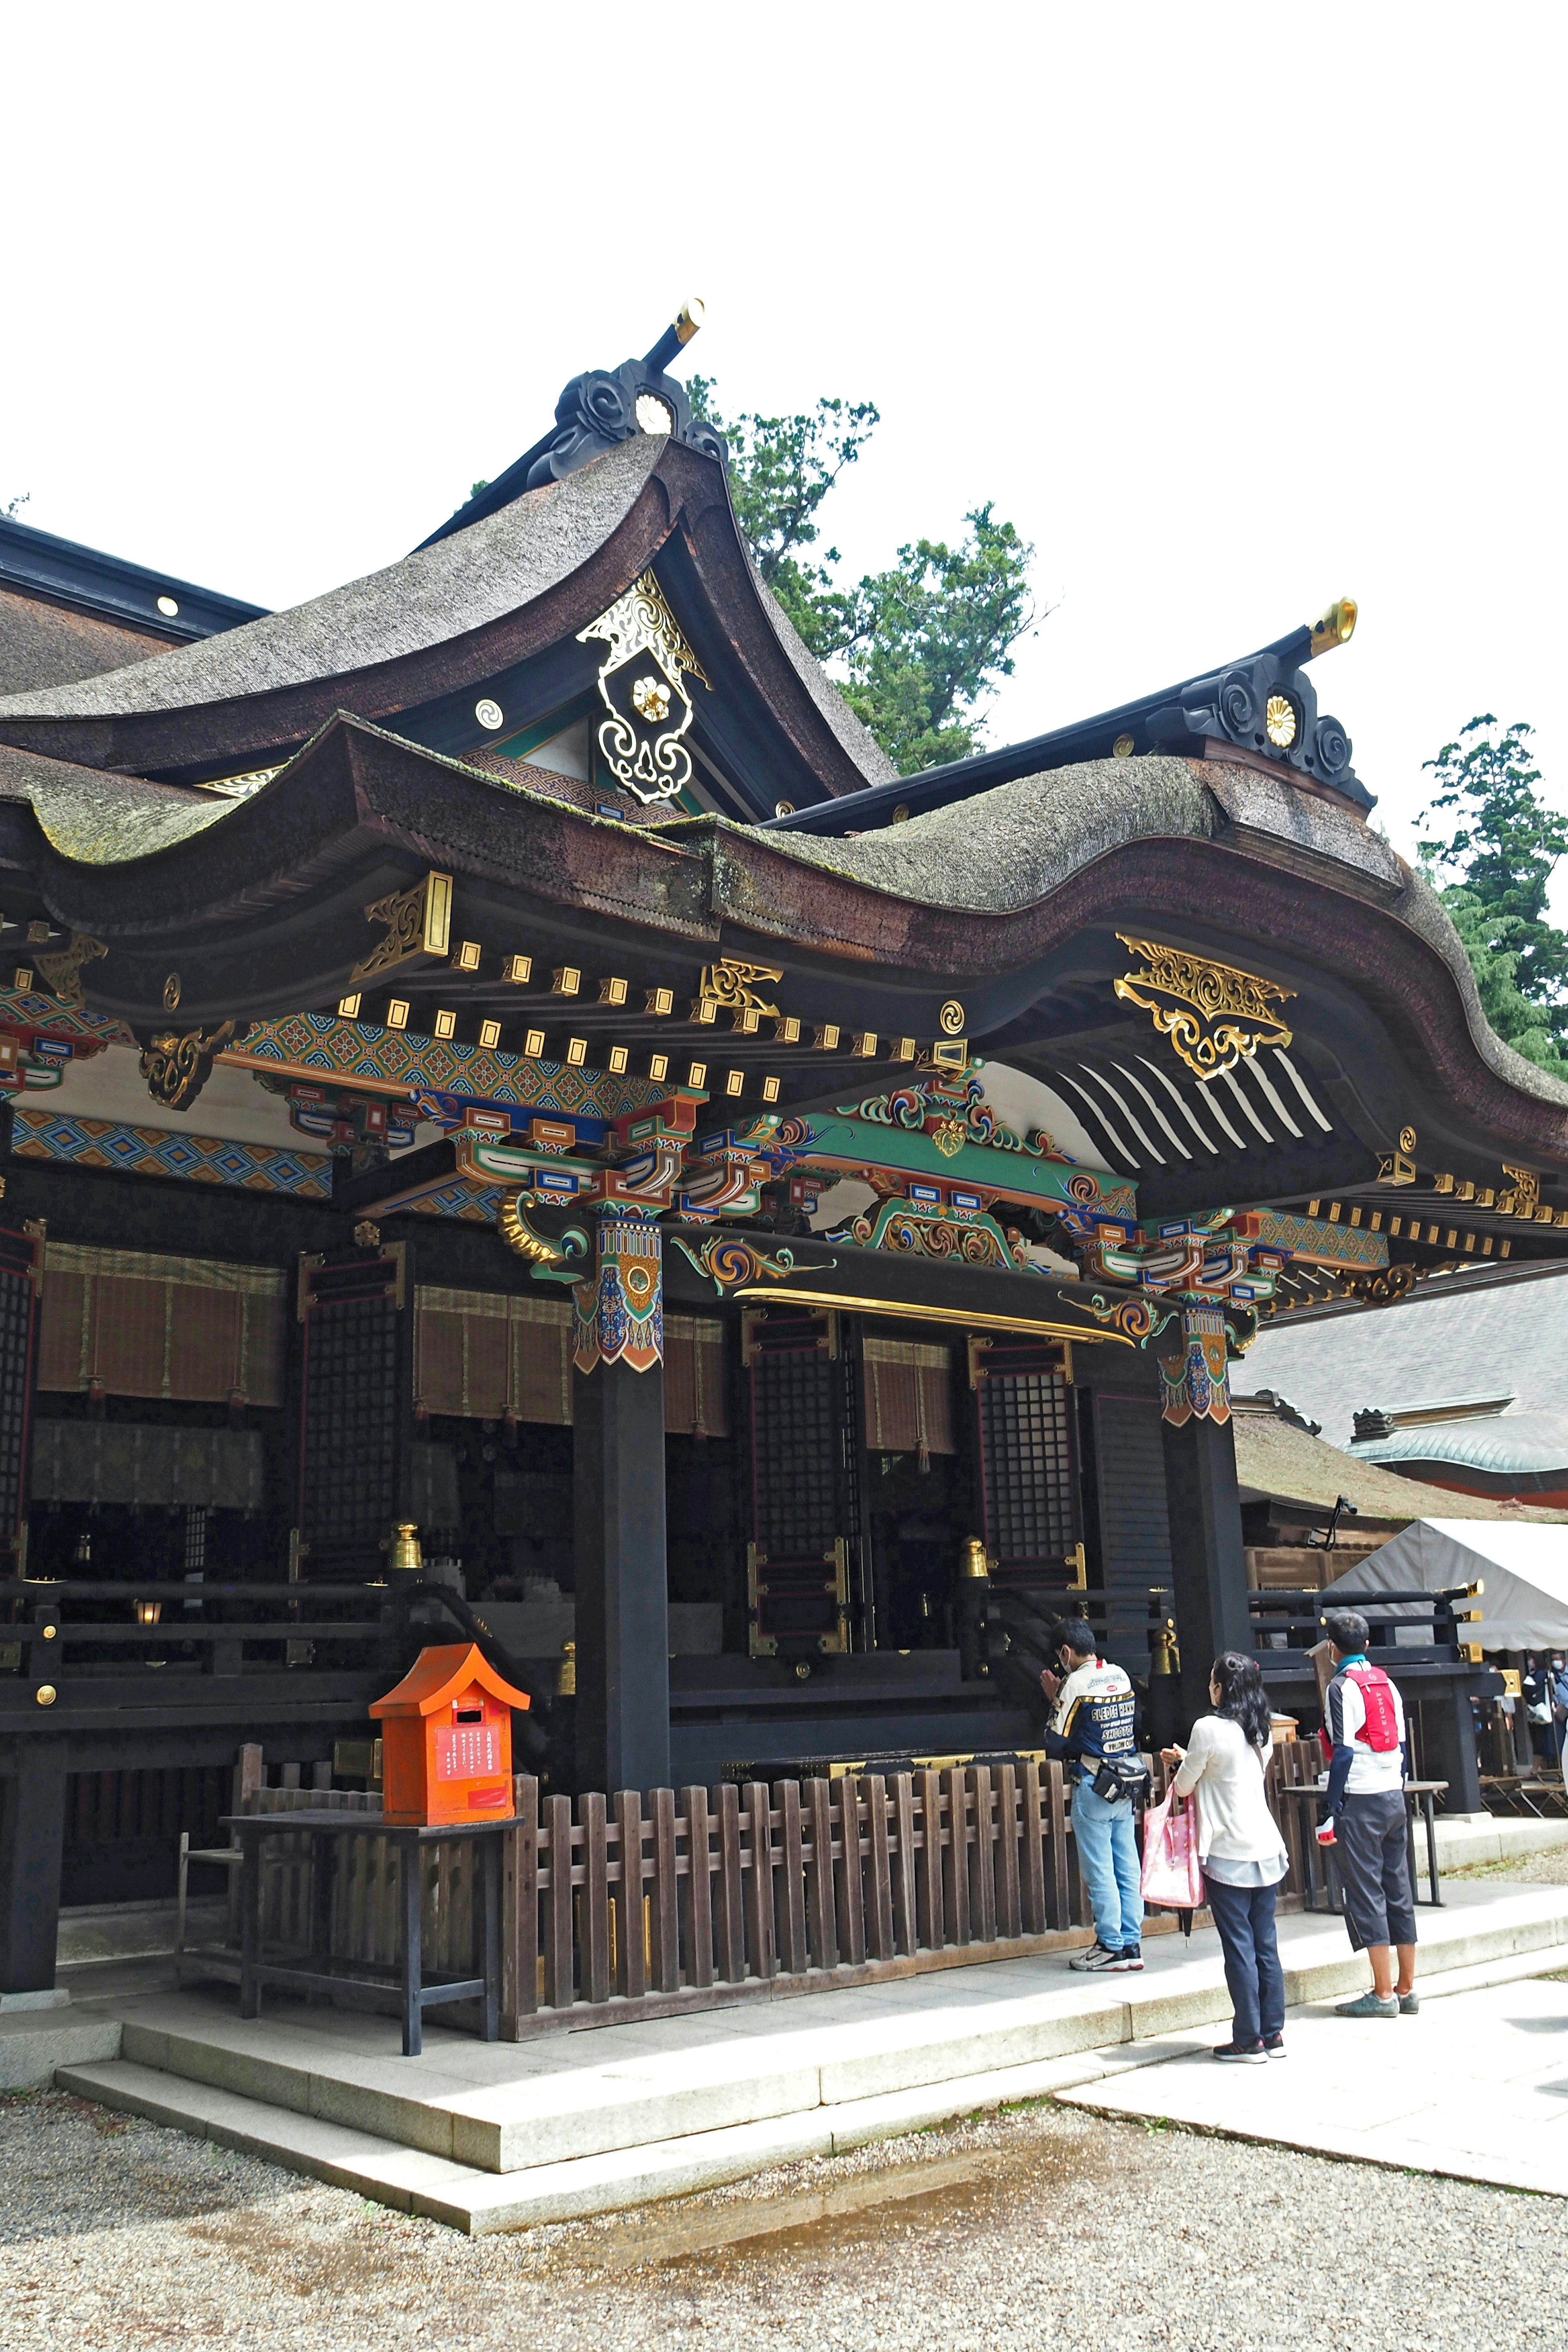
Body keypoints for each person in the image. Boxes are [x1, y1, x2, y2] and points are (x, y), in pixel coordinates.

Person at [1161, 1653, 1290, 2062]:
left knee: (1239, 1947)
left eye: (1212, 1680)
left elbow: (1184, 1788)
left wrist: (1182, 1762)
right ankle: (1272, 2034)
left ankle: (1247, 2039)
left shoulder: (1208, 1728)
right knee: (1264, 1944)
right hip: (1265, 1846)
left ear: (1220, 1687)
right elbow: (1231, 1771)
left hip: (1228, 1851)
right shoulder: (1260, 1730)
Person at [1317, 1608, 1417, 2019]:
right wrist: (1400, 1783)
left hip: (1361, 1797)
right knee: (1399, 1888)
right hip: (1394, 1793)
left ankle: (1381, 1993)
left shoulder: (1340, 1687)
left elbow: (1342, 1751)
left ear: (1331, 1649)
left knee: (1367, 1892)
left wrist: (1331, 1806)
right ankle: (1406, 1987)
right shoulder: (1387, 1684)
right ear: (1369, 1646)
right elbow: (1403, 1745)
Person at [1039, 1619, 1144, 1972]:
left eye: (1060, 1657)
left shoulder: (1075, 1684)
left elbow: (1055, 1743)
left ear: (1066, 1652)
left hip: (1093, 1783)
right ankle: (1131, 1943)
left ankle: (1110, 1944)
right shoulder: (1121, 1675)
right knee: (1127, 1866)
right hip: (1126, 1782)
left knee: (1100, 1870)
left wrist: (1056, 1700)